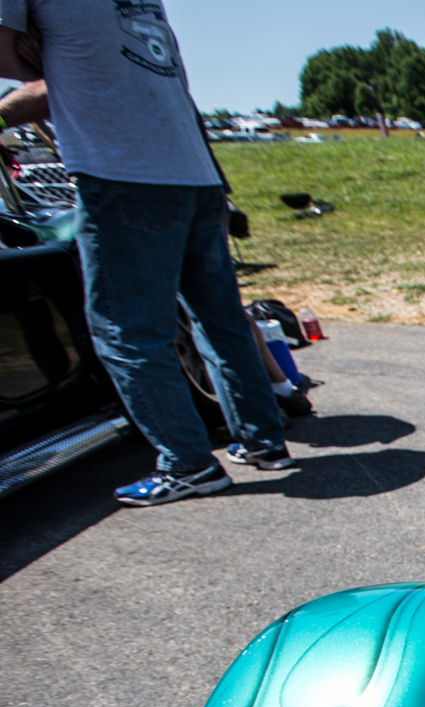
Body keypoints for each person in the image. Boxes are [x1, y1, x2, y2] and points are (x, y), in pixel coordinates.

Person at [0, 0, 291, 506]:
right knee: (220, 318)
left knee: (126, 332)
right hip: (195, 171)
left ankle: (188, 465)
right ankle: (264, 441)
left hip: (120, 172)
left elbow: (13, 63)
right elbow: (122, 62)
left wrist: (45, 57)